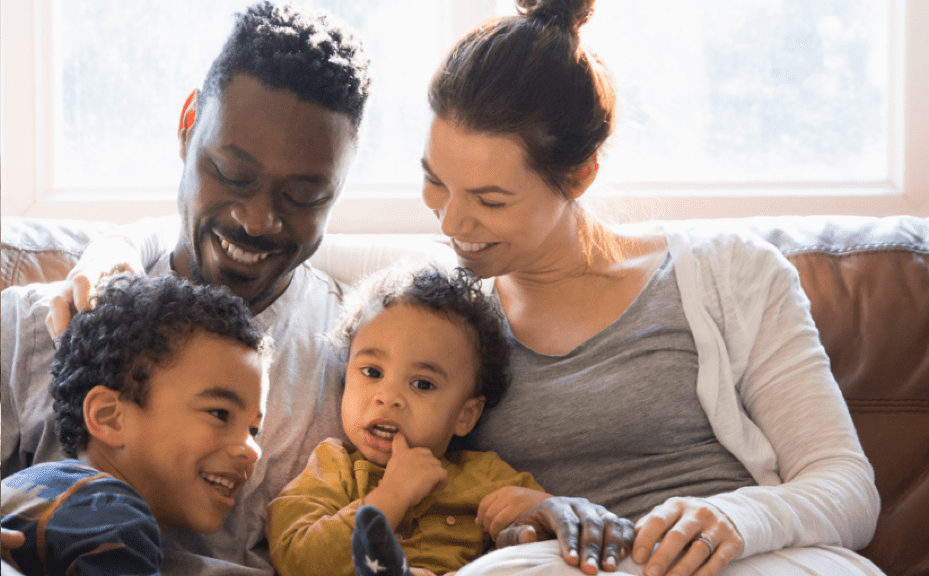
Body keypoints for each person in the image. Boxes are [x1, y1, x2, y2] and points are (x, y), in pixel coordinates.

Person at [34, 0, 887, 574]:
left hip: (747, 560)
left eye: (490, 199)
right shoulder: (430, 297)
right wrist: (107, 256)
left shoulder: (729, 274)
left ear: (580, 174)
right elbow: (257, 244)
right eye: (434, 184)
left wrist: (739, 520)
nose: (451, 225)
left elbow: (844, 486)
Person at [0, 2, 372, 575]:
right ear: (188, 124)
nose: (256, 219)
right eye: (232, 173)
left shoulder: (358, 372)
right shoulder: (43, 322)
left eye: (303, 196)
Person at [266, 263, 549, 576]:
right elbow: (298, 561)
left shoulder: (486, 477)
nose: (388, 398)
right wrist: (390, 496)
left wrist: (538, 509)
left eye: (422, 384)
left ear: (465, 416)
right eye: (372, 372)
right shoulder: (332, 467)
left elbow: (562, 527)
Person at [1, 274, 270, 576]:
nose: (252, 450)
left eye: (254, 430)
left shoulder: (34, 484)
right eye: (220, 414)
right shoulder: (114, 516)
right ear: (110, 417)